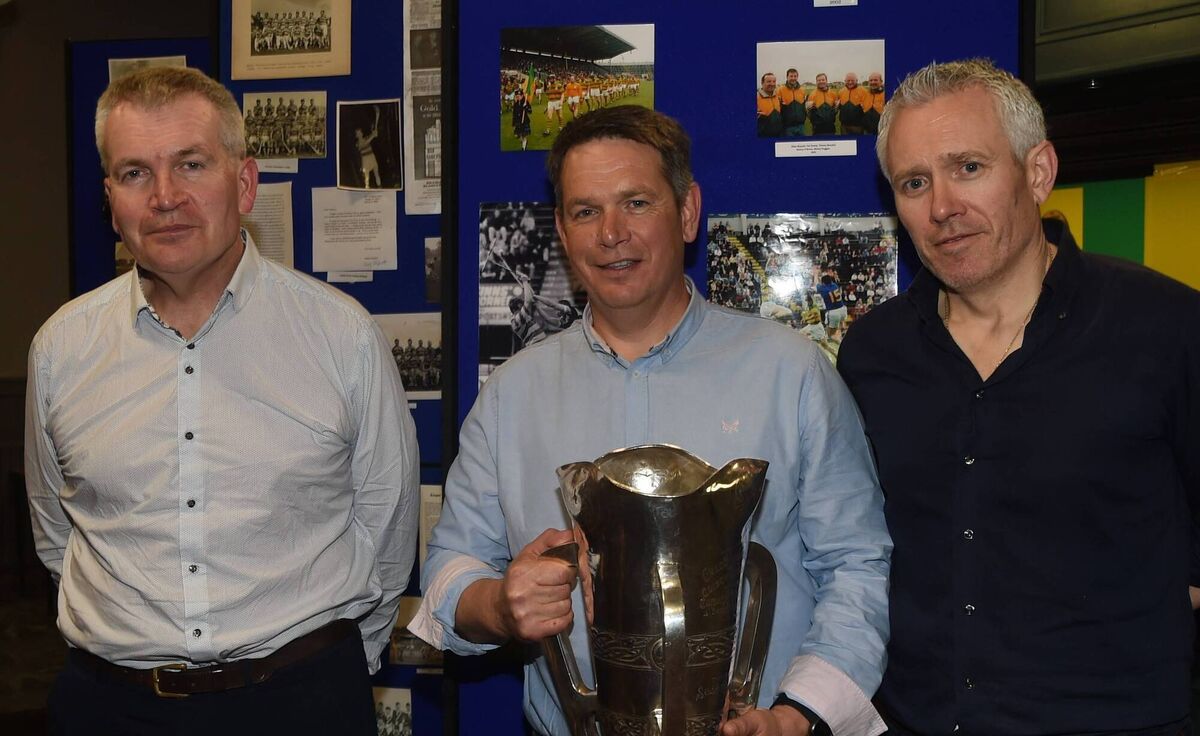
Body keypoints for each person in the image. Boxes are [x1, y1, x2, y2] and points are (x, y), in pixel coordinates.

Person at [410, 105, 891, 736]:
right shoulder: (511, 395)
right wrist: (498, 605)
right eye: (586, 211)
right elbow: (451, 566)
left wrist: (798, 716)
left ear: (687, 212)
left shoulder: (792, 374)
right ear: (561, 229)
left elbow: (857, 565)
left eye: (636, 203)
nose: (612, 233)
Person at [25, 66, 419, 734]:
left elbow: (386, 522)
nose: (165, 197)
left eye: (191, 164)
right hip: (111, 708)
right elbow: (56, 534)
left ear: (243, 183)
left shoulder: (341, 335)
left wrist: (345, 664)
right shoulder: (61, 348)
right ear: (110, 197)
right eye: (134, 173)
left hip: (301, 703)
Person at [837, 58, 1200, 734]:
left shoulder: (1167, 326)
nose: (942, 205)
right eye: (915, 182)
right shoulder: (872, 353)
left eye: (969, 167)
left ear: (1037, 172)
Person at [355, 106, 382, 187]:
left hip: (372, 157)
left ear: (361, 133)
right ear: (356, 135)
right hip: (365, 160)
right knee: (367, 179)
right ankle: (367, 191)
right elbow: (365, 143)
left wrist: (375, 131)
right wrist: (373, 135)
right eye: (357, 133)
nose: (359, 133)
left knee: (376, 172)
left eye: (359, 132)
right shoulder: (357, 143)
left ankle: (380, 187)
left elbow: (375, 135)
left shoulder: (366, 137)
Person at [779, 67, 807, 137]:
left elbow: (804, 107)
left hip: (801, 126)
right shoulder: (780, 90)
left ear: (797, 77)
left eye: (795, 76)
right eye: (791, 76)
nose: (793, 78)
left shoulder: (802, 90)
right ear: (787, 77)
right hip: (787, 127)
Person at [756, 72, 783, 138]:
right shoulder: (756, 97)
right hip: (764, 136)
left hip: (778, 134)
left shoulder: (777, 96)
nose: (772, 84)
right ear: (762, 83)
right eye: (769, 81)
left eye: (774, 81)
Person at [512, 87, 533, 151]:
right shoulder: (515, 104)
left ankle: (523, 147)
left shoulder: (525, 102)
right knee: (518, 135)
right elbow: (514, 114)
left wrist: (526, 107)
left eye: (519, 96)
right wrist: (513, 123)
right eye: (517, 96)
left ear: (522, 95)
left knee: (524, 135)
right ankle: (523, 141)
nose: (518, 98)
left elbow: (530, 111)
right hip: (518, 121)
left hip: (525, 121)